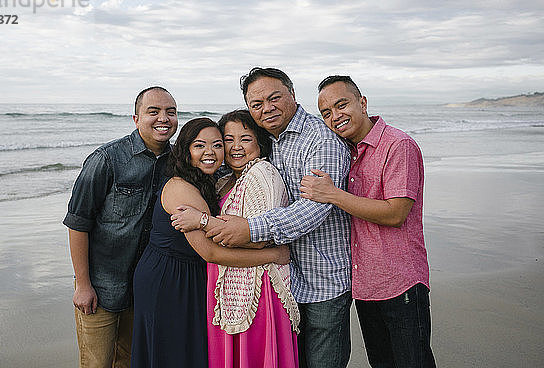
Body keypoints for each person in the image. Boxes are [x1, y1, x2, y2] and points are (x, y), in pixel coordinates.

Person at [204, 68, 353, 367]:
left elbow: (313, 209)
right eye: (256, 104)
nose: (266, 108)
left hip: (323, 279)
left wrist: (250, 229)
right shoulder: (275, 141)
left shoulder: (320, 140)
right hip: (289, 278)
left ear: (293, 94)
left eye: (274, 98)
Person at [130, 118, 290, 368]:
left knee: (188, 352)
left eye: (217, 145)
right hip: (168, 279)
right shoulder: (182, 189)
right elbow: (212, 252)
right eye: (199, 146)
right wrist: (272, 255)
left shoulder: (210, 181)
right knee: (171, 353)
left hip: (187, 275)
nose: (210, 153)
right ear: (185, 150)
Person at [300, 75, 436, 367]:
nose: (335, 116)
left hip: (400, 281)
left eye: (341, 105)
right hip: (365, 285)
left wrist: (332, 194)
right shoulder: (346, 151)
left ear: (362, 103)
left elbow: (395, 213)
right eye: (326, 113)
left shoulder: (398, 145)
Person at [170, 110, 300, 368]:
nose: (236, 147)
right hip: (234, 279)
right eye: (228, 140)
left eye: (246, 139)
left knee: (256, 357)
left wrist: (202, 221)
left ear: (259, 142)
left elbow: (262, 237)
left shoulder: (262, 174)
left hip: (258, 287)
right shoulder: (229, 179)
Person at [63, 87, 178, 367]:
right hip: (101, 288)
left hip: (145, 289)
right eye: (154, 111)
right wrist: (83, 284)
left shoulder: (177, 163)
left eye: (171, 112)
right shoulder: (107, 159)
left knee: (130, 360)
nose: (164, 118)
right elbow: (78, 222)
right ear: (136, 118)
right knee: (97, 362)